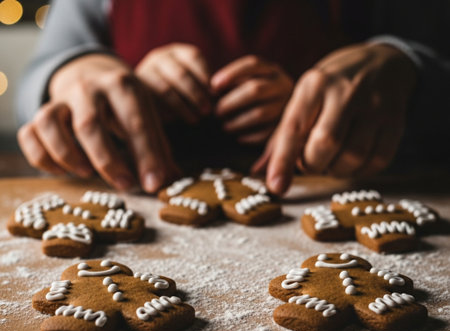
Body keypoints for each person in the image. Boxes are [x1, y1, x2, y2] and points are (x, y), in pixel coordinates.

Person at [16, 0, 450, 195]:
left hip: (329, 189)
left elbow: (436, 74)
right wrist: (71, 71)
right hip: (131, 188)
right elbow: (34, 82)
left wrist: (405, 64)